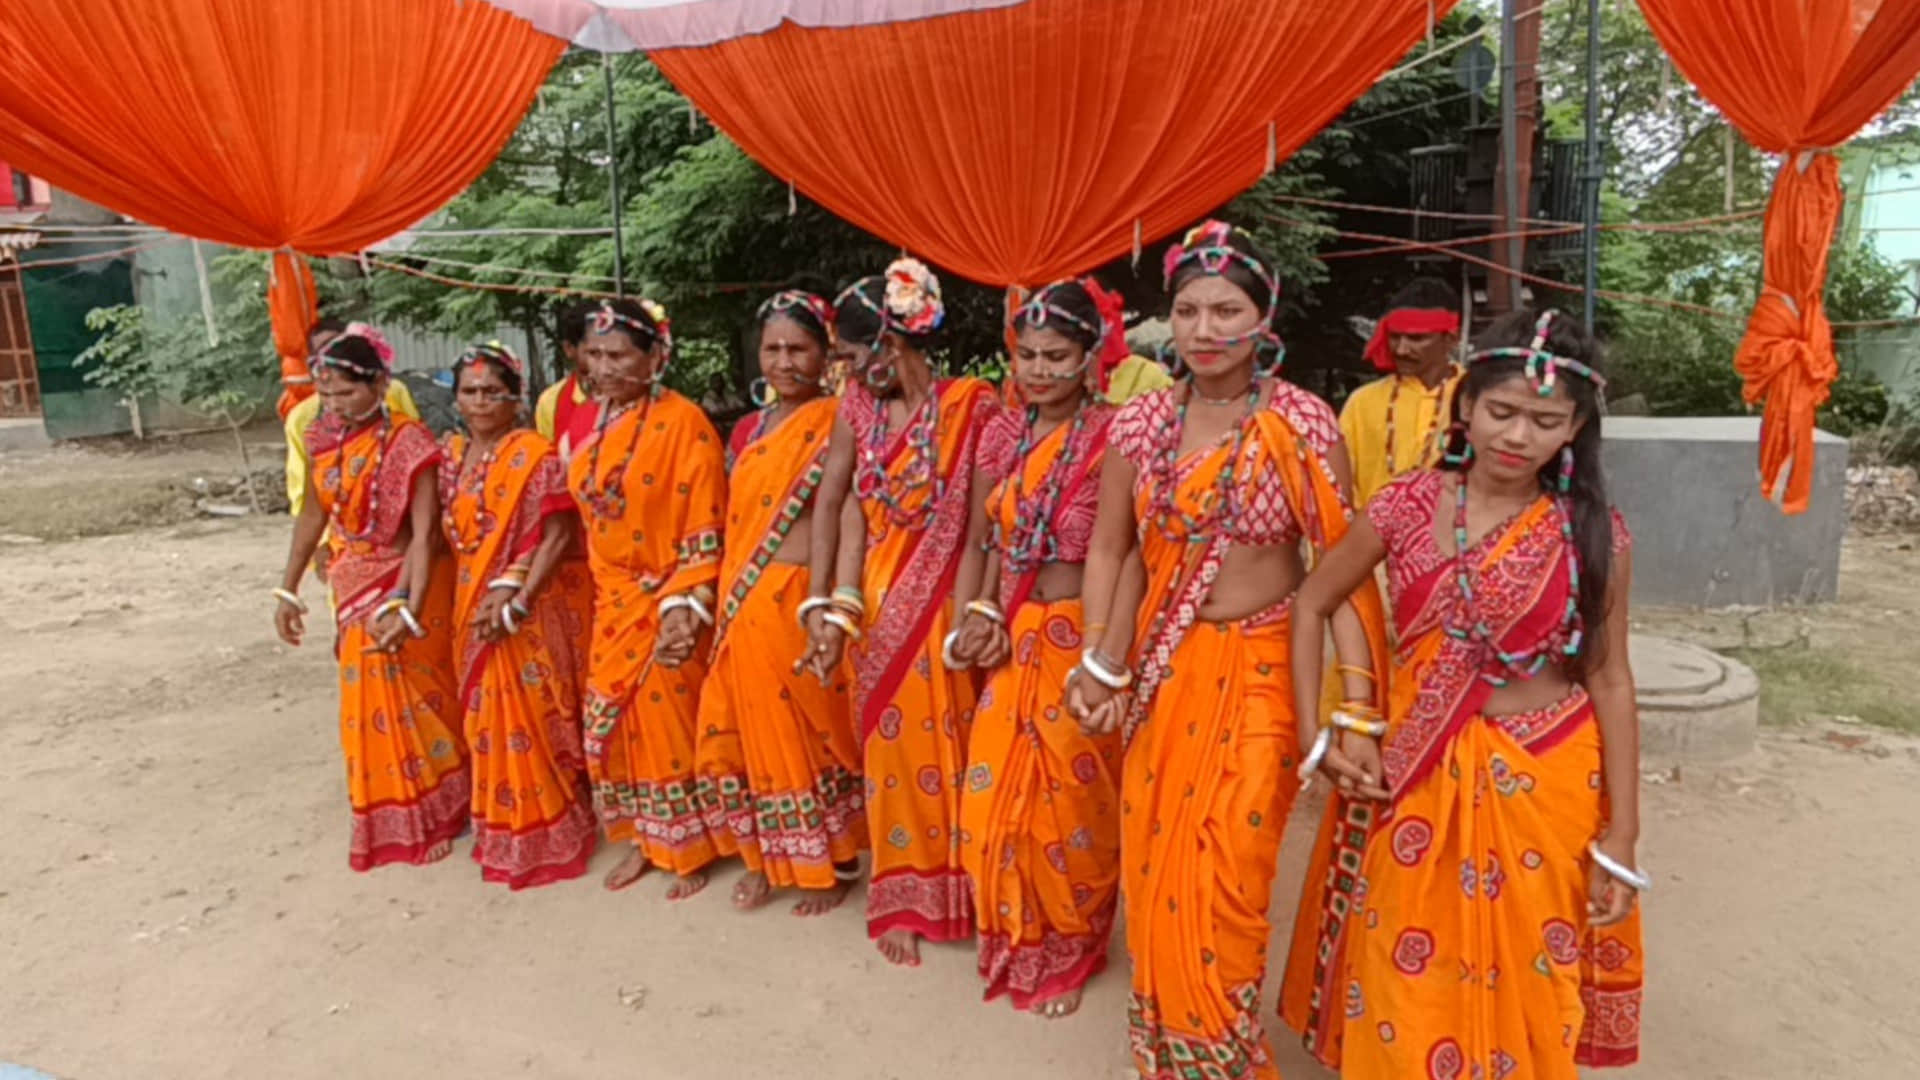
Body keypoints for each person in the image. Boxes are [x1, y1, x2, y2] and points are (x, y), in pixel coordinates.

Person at [1281, 310, 1644, 1077]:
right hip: (1415, 765)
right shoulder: (1408, 505)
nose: (1518, 437)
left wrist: (1622, 836)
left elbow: (1609, 676)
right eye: (1501, 412)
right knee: (1402, 957)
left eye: (1546, 421)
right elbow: (1313, 600)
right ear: (1465, 406)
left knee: (1531, 970)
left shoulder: (1592, 532)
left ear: (1575, 428)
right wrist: (1322, 733)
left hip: (1545, 773)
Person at [1073, 220, 1390, 1078]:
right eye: (1187, 311)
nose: (1205, 330)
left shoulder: (1301, 422)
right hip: (1163, 669)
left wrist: (1356, 708)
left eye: (1226, 310)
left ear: (1264, 318)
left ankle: (1222, 1055)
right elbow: (1113, 549)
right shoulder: (1138, 424)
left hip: (1261, 671)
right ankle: (1175, 1051)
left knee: (1230, 873)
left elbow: (1342, 571)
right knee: (1155, 861)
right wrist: (1099, 659)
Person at [800, 260, 1002, 967]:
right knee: (891, 751)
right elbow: (837, 501)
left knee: (960, 747)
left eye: (854, 358)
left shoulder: (973, 405)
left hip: (948, 597)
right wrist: (826, 600)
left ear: (891, 343)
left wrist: (978, 604)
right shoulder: (856, 409)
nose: (848, 374)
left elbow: (986, 521)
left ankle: (971, 893)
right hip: (873, 602)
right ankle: (906, 897)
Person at [951, 277, 1130, 1018]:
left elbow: (1131, 552)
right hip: (1016, 634)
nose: (1040, 372)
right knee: (991, 804)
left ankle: (1072, 945)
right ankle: (1014, 936)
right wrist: (978, 611)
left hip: (1080, 641)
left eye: (1057, 357)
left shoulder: (1120, 432)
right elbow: (982, 539)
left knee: (1074, 804)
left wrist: (1109, 658)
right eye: (1028, 356)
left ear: (1091, 358)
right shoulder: (1000, 431)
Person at [694, 290, 868, 916]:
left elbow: (843, 513)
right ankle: (765, 856)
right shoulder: (749, 427)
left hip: (796, 594)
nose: (784, 360)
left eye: (799, 347)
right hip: (743, 600)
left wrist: (824, 599)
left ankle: (833, 862)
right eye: (772, 348)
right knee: (737, 734)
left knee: (808, 730)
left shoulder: (839, 418)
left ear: (826, 355)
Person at [272, 324, 469, 870]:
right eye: (326, 394)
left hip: (410, 579)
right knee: (365, 704)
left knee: (423, 699)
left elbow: (427, 534)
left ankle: (441, 810)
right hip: (353, 579)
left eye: (346, 392)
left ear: (381, 384)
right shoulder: (321, 437)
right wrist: (286, 588)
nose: (334, 405)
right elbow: (313, 514)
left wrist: (407, 603)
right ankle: (388, 815)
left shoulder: (411, 442)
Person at [569, 298, 732, 899]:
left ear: (655, 357)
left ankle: (689, 846)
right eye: (595, 354)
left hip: (668, 599)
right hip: (612, 603)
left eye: (618, 355)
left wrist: (682, 605)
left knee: (666, 719)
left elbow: (704, 521)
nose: (605, 367)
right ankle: (644, 838)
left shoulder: (684, 422)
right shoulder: (589, 421)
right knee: (619, 729)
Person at [438, 342, 598, 889]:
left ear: (515, 396)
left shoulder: (536, 454)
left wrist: (515, 596)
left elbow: (557, 536)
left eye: (491, 391)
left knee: (530, 713)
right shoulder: (452, 457)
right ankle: (500, 826)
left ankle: (550, 829)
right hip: (467, 601)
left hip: (525, 608)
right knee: (484, 717)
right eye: (469, 391)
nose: (480, 401)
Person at [1340, 277, 1463, 505]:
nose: (1402, 349)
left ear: (1451, 339)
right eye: (1395, 337)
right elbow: (1339, 487)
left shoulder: (1476, 397)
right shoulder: (1362, 402)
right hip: (1370, 537)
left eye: (1416, 338)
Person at [285, 317, 420, 517]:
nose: (335, 405)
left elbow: (415, 454)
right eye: (323, 350)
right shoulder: (301, 418)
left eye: (338, 345)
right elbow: (303, 491)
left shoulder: (395, 392)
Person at [534, 300, 598, 458]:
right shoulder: (551, 401)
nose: (605, 361)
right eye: (594, 352)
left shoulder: (631, 396)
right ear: (569, 349)